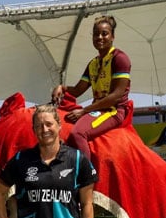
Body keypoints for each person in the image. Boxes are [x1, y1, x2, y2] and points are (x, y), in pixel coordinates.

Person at [51, 15, 131, 159]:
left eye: (104, 33)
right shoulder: (93, 64)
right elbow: (78, 90)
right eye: (96, 34)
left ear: (112, 36)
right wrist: (61, 88)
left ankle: (87, 177)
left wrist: (84, 111)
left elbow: (116, 96)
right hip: (97, 110)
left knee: (78, 133)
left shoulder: (120, 58)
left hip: (113, 111)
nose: (99, 37)